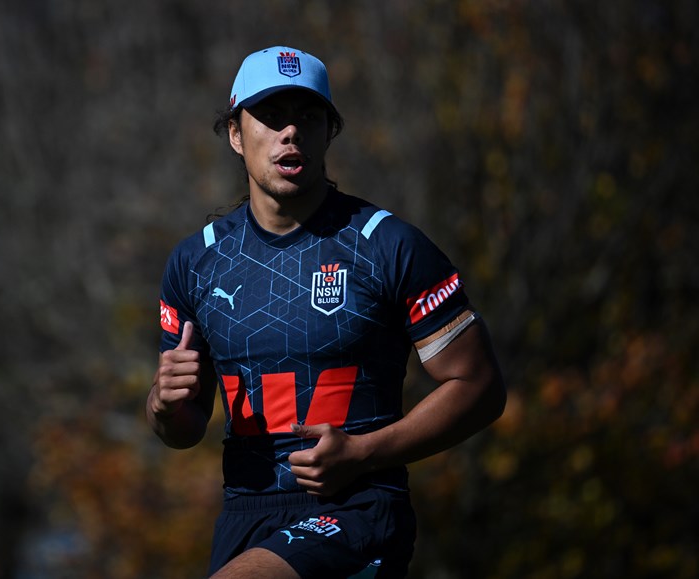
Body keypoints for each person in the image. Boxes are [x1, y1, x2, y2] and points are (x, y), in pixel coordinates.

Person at [146, 45, 506, 578]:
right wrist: (162, 405)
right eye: (271, 116)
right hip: (244, 517)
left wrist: (363, 452)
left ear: (328, 133)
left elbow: (480, 387)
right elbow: (184, 428)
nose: (290, 132)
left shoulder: (388, 246)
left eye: (308, 116)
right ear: (235, 134)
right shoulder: (194, 262)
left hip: (358, 509)